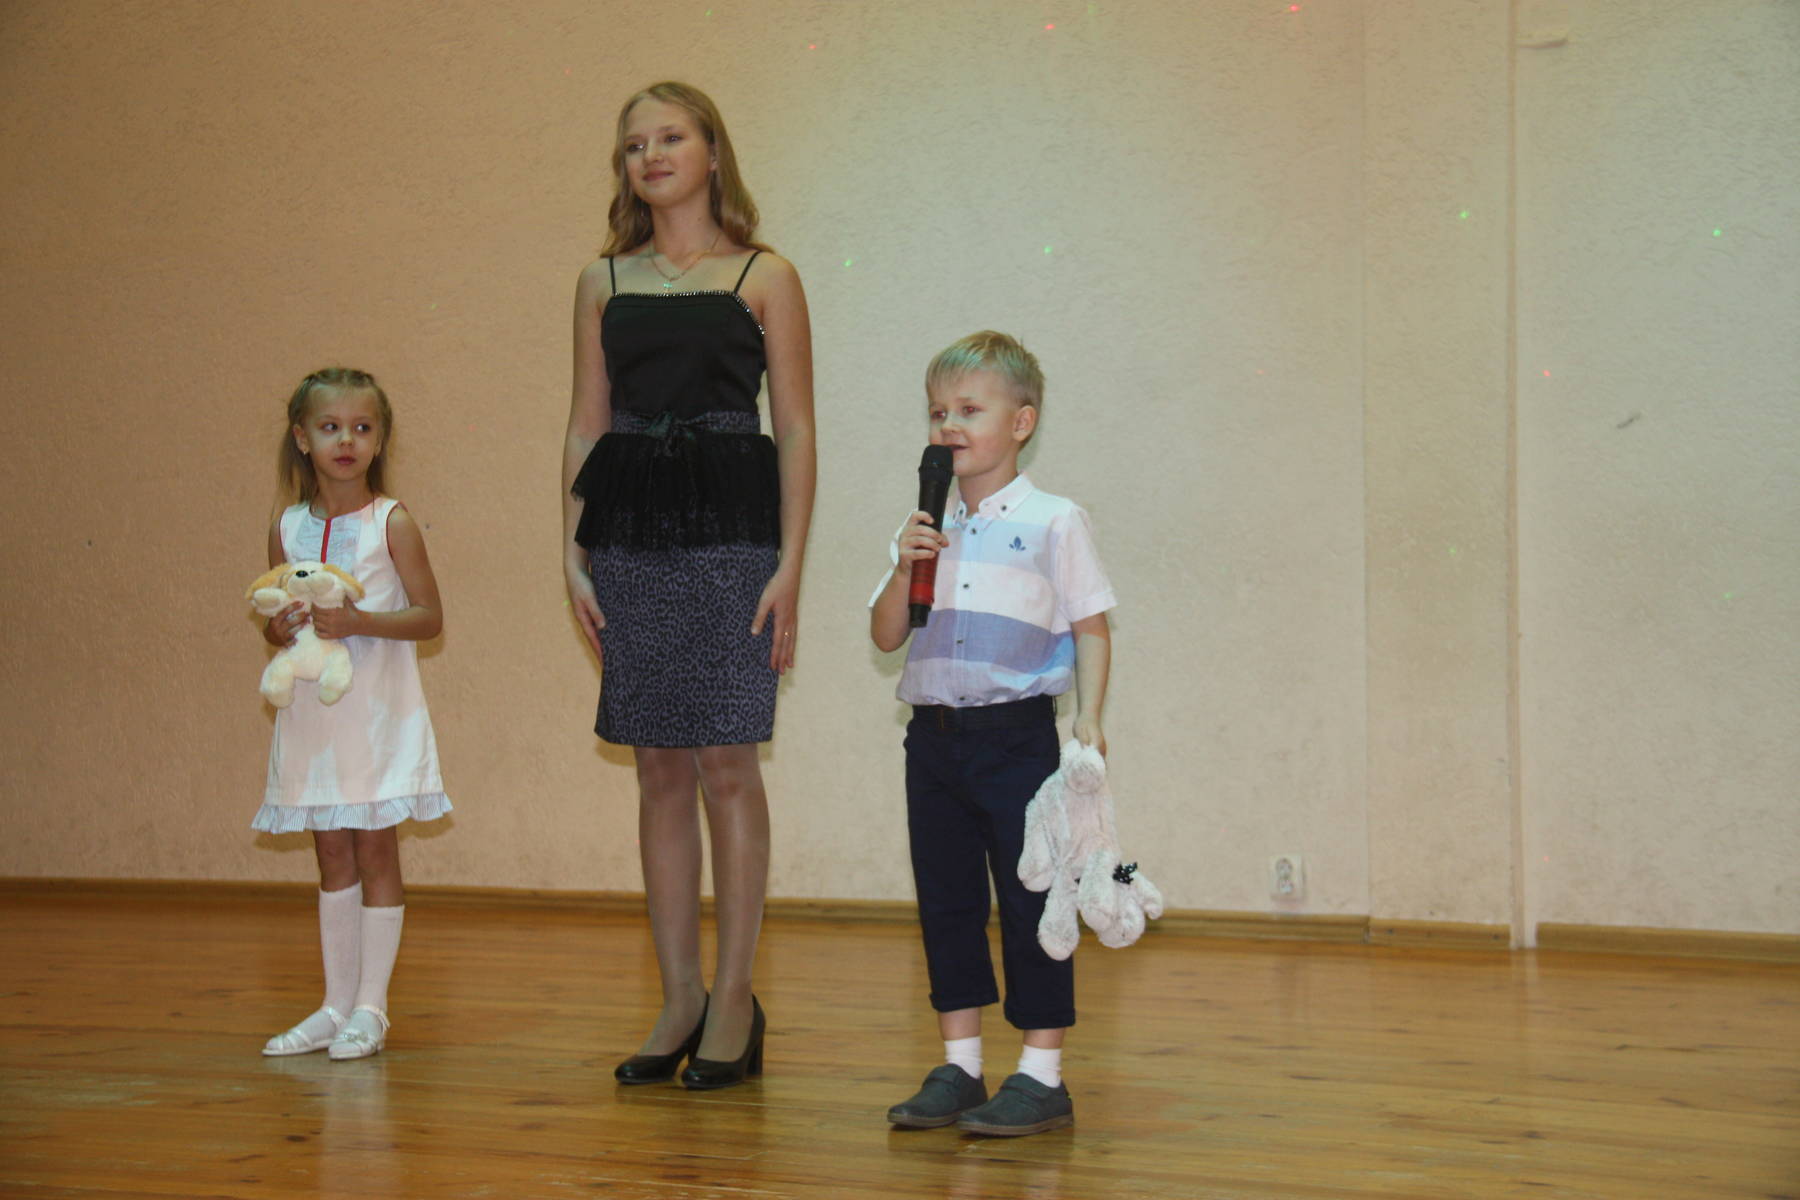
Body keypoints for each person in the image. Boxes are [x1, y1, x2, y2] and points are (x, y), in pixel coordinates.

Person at [562, 82, 816, 1090]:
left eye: (671, 137)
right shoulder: (601, 280)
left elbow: (796, 427)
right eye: (635, 145)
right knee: (657, 765)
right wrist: (571, 549)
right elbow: (585, 423)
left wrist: (791, 562)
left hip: (732, 530)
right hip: (630, 532)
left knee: (726, 760)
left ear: (713, 151)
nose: (652, 155)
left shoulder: (766, 274)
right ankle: (679, 998)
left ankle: (736, 1000)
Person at [869, 331, 1115, 1136]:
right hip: (933, 742)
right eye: (937, 411)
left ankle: (1041, 1076)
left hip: (1017, 742)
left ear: (1021, 422)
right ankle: (961, 1066)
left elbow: (1092, 626)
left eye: (969, 410)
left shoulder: (1054, 522)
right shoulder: (925, 526)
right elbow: (885, 636)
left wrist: (1089, 717)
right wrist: (904, 566)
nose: (949, 425)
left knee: (1031, 900)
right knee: (946, 900)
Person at [255, 367, 450, 1060]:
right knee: (331, 853)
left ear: (379, 440)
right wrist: (277, 631)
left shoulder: (390, 522)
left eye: (362, 428)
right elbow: (277, 614)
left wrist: (361, 621)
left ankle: (372, 1008)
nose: (347, 441)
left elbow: (429, 617)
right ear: (302, 438)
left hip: (375, 717)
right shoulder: (286, 527)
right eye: (331, 427)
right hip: (313, 721)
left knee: (374, 849)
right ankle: (334, 1006)